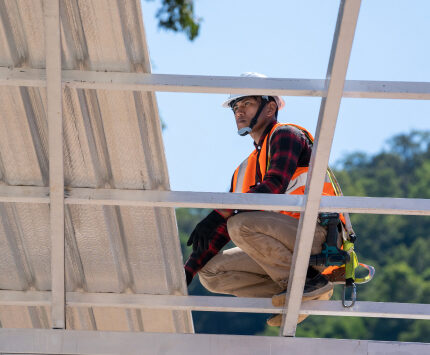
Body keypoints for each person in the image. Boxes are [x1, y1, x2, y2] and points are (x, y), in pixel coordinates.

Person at [184, 73, 340, 327]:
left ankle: (305, 283)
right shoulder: (244, 169)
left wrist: (218, 214)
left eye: (247, 103)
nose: (238, 111)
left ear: (270, 108)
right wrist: (185, 273)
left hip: (316, 238)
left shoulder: (287, 135)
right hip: (280, 244)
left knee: (240, 224)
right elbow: (223, 228)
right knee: (210, 274)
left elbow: (273, 187)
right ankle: (300, 293)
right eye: (235, 106)